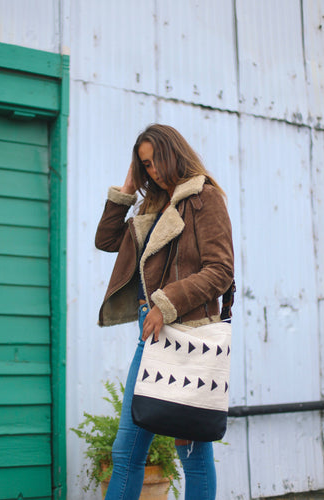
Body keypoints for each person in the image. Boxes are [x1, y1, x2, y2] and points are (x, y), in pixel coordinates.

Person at [95, 124, 234, 500]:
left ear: (175, 152)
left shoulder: (205, 198)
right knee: (126, 452)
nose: (153, 170)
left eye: (156, 160)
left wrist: (165, 302)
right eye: (145, 165)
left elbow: (220, 270)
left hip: (187, 334)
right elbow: (106, 240)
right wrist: (127, 189)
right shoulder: (152, 205)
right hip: (150, 334)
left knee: (191, 450)